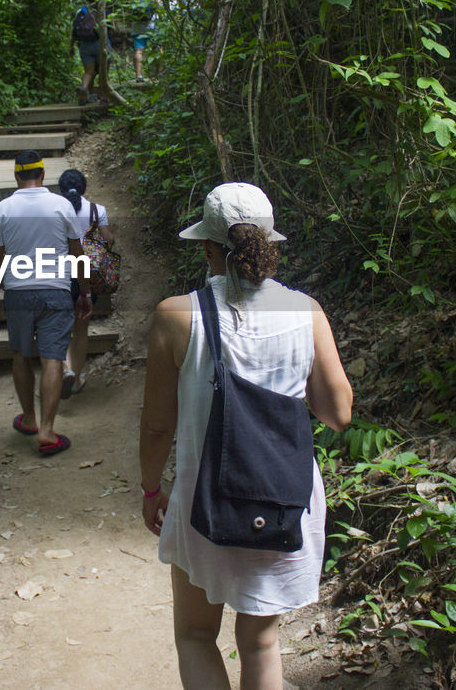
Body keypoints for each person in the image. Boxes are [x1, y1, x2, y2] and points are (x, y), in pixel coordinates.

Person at [138, 182, 353, 689]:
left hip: (204, 499)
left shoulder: (176, 316)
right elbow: (339, 413)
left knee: (194, 635)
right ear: (269, 243)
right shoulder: (306, 311)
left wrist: (151, 490)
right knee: (260, 642)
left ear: (209, 247)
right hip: (282, 497)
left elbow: (157, 425)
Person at [0, 150, 93, 455]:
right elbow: (77, 253)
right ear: (43, 175)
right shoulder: (61, 205)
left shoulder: (3, 209)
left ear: (17, 176)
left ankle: (29, 419)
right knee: (53, 358)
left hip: (17, 291)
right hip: (55, 291)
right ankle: (47, 431)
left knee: (20, 355)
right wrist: (83, 292)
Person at [57, 169, 116, 396]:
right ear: (84, 188)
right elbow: (108, 239)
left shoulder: (55, 211)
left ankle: (64, 369)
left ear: (61, 189)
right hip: (87, 278)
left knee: (59, 328)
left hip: (60, 276)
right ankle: (76, 378)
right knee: (81, 330)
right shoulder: (96, 210)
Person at [71, 0, 110, 105]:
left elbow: (74, 31)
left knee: (89, 72)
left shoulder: (81, 11)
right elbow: (110, 28)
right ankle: (104, 97)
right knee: (104, 73)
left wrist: (71, 46)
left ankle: (85, 90)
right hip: (99, 43)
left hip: (84, 45)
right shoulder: (102, 12)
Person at [128, 0, 157, 82]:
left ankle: (139, 76)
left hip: (137, 27)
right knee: (157, 49)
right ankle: (158, 74)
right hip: (152, 26)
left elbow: (130, 10)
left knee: (139, 51)